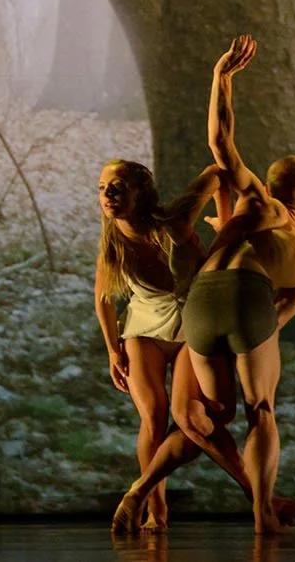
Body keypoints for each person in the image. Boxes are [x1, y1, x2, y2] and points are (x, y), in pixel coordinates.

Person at [113, 34, 295, 537]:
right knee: (260, 411)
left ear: (270, 188)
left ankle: (138, 491)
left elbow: (220, 143)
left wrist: (221, 77)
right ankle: (261, 515)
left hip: (201, 301)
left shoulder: (253, 204)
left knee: (207, 417)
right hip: (249, 301)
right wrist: (253, 329)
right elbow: (277, 319)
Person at [93, 155, 222, 532]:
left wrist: (227, 217)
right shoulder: (113, 241)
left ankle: (141, 490)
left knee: (186, 415)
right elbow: (103, 299)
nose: (108, 195)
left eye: (117, 187)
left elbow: (214, 174)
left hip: (189, 329)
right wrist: (113, 349)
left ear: (140, 191)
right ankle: (155, 511)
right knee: (152, 415)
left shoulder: (173, 223)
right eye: (102, 189)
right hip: (142, 330)